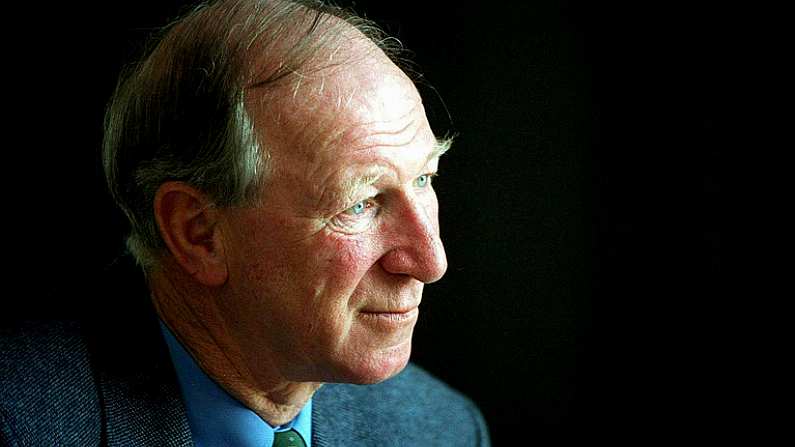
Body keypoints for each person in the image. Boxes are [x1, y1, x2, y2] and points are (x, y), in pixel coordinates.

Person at [0, 0, 490, 445]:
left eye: (425, 178)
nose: (430, 262)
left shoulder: (440, 429)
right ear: (199, 233)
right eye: (359, 204)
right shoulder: (22, 422)